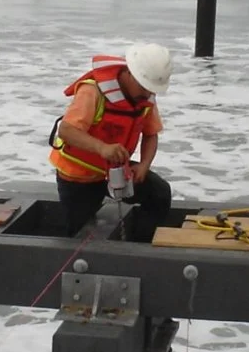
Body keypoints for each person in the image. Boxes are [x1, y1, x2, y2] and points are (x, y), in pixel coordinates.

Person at [48, 43, 173, 241]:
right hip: (79, 177)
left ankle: (139, 245)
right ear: (130, 73)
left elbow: (151, 134)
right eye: (143, 87)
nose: (147, 94)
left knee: (159, 193)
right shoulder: (93, 91)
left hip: (116, 171)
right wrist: (102, 148)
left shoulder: (146, 97)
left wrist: (143, 165)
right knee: (80, 234)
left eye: (151, 89)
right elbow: (66, 130)